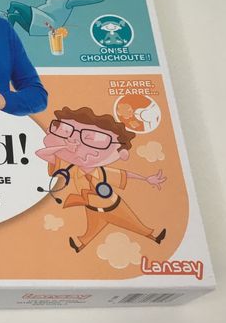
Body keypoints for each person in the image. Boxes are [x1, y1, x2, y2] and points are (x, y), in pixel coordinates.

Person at [35, 105, 167, 253]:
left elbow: (125, 174)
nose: (78, 144)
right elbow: (42, 153)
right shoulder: (71, 170)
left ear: (121, 153)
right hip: (92, 209)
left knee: (134, 224)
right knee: (91, 230)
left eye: (93, 139)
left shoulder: (102, 172)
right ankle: (80, 245)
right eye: (66, 131)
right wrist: (63, 147)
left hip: (114, 206)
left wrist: (146, 179)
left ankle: (154, 236)